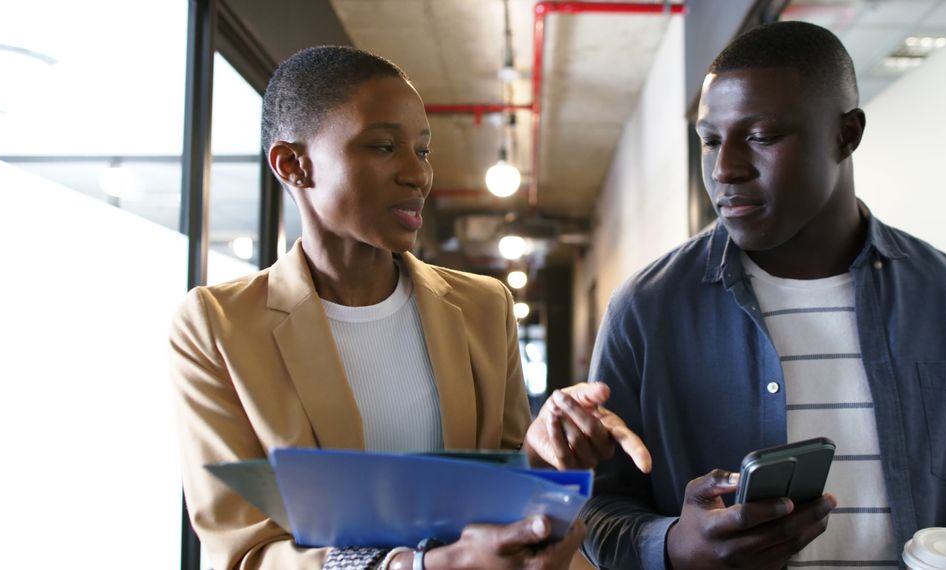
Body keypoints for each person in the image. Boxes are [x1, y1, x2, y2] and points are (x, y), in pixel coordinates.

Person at [579, 21, 946, 569]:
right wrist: (674, 547)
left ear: (845, 134)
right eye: (710, 140)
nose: (725, 168)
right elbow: (596, 507)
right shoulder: (647, 311)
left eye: (761, 137)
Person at [168, 46, 648, 570]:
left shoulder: (483, 305)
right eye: (382, 146)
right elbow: (244, 551)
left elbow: (505, 492)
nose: (417, 175)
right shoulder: (218, 326)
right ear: (293, 165)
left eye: (422, 151)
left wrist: (543, 447)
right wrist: (414, 567)